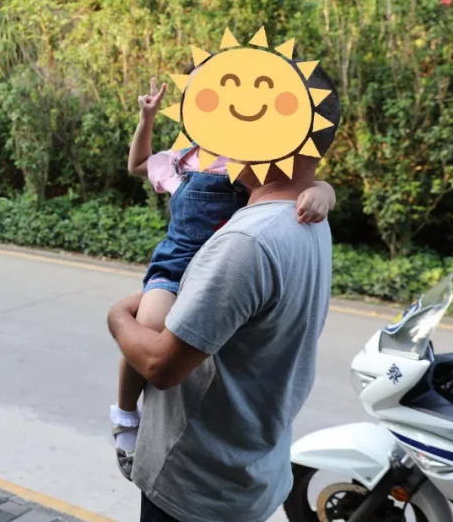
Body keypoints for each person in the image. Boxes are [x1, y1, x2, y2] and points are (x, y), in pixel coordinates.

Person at [107, 67, 341, 522]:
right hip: (246, 474)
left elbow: (160, 366)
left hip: (194, 488)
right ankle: (125, 412)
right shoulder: (306, 220)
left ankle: (123, 416)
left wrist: (117, 317)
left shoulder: (247, 242)